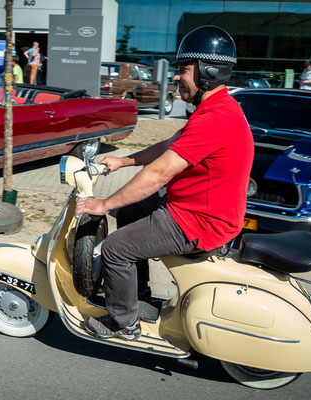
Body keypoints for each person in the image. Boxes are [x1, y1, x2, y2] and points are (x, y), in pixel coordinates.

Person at [76, 26, 254, 340]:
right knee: (129, 213)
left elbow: (159, 173)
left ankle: (123, 324)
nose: (175, 77)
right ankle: (138, 295)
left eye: (183, 70)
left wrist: (102, 203)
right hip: (193, 209)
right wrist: (123, 160)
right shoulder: (215, 109)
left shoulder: (214, 118)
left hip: (200, 222)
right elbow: (170, 145)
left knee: (116, 249)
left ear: (207, 72)